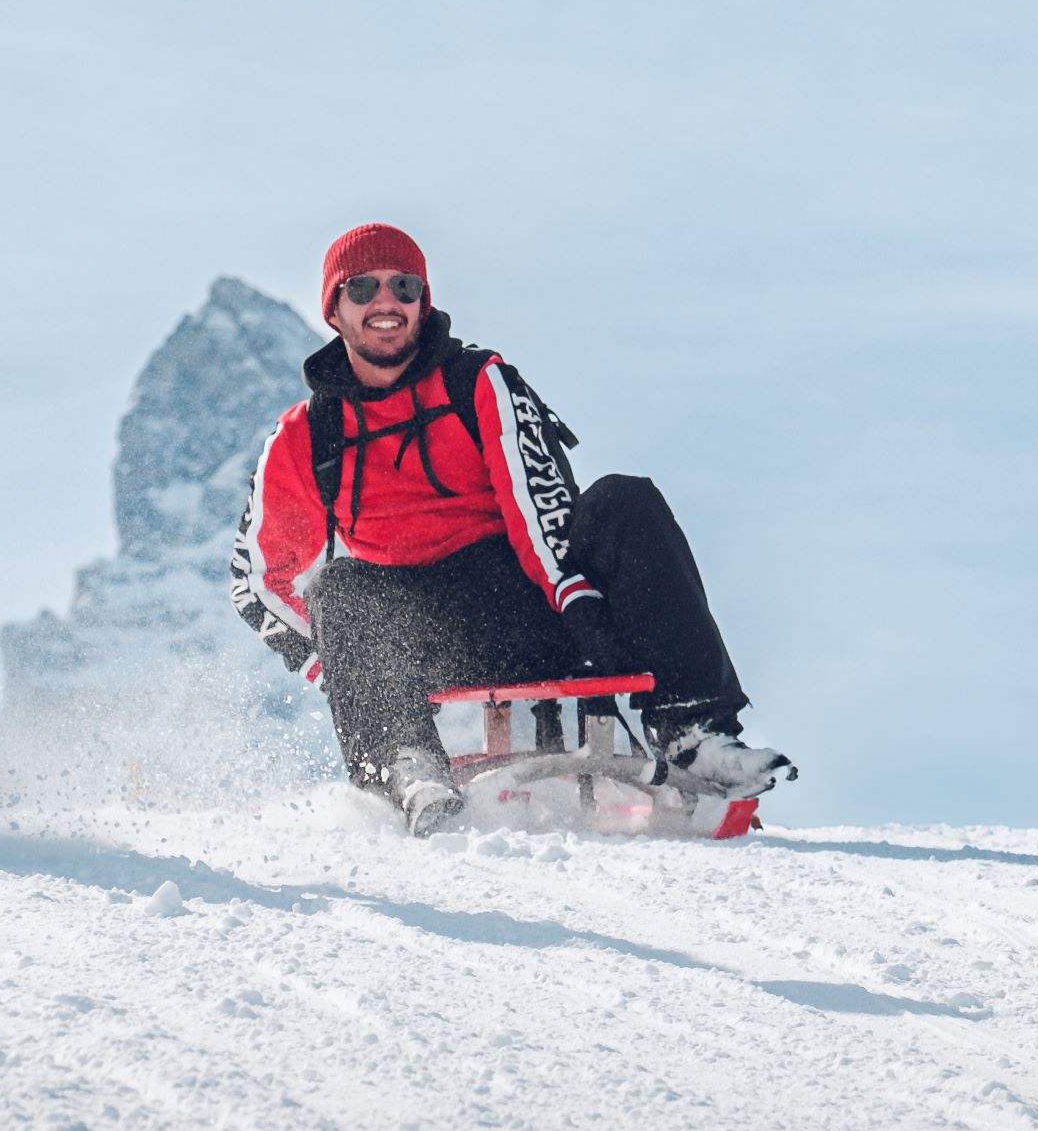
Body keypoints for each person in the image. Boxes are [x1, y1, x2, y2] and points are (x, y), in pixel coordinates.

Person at [230, 224, 790, 833]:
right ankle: (406, 767)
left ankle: (695, 735)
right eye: (362, 287)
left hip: (535, 608)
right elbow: (255, 581)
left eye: (404, 285)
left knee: (624, 500)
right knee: (339, 585)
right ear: (334, 310)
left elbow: (538, 508)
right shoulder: (308, 436)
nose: (385, 301)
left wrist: (587, 620)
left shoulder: (478, 382)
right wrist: (339, 668)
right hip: (422, 643)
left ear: (425, 301)